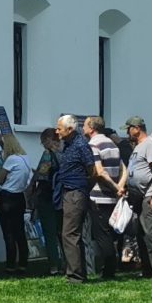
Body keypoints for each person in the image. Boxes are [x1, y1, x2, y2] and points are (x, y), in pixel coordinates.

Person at [122, 119, 152, 280]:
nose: (127, 132)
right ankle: (148, 269)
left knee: (151, 234)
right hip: (138, 196)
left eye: (129, 129)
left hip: (149, 195)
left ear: (137, 128)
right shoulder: (138, 147)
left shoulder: (149, 145)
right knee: (141, 234)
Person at [52, 115, 95, 282]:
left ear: (70, 129)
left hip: (75, 192)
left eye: (59, 128)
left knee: (69, 234)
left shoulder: (81, 145)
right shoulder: (68, 145)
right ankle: (77, 272)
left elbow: (92, 170)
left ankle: (75, 275)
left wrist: (82, 187)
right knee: (70, 234)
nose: (57, 131)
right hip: (68, 191)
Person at [85, 118, 125, 279]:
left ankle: (109, 270)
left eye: (85, 125)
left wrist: (116, 188)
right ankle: (111, 267)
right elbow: (124, 169)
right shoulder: (112, 144)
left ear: (91, 128)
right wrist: (119, 187)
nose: (83, 128)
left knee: (102, 235)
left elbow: (99, 171)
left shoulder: (93, 145)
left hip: (99, 196)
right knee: (110, 233)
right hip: (113, 197)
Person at [0, 139, 34, 274]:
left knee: (8, 233)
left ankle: (10, 265)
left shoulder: (11, 159)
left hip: (7, 196)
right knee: (20, 232)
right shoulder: (25, 158)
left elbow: (0, 179)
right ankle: (23, 263)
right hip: (19, 196)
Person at [30, 127, 61, 277]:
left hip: (47, 197)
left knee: (50, 233)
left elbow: (41, 175)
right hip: (62, 196)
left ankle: (54, 266)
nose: (43, 145)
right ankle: (69, 264)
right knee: (63, 233)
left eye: (43, 142)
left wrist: (32, 182)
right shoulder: (66, 151)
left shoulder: (48, 154)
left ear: (49, 140)